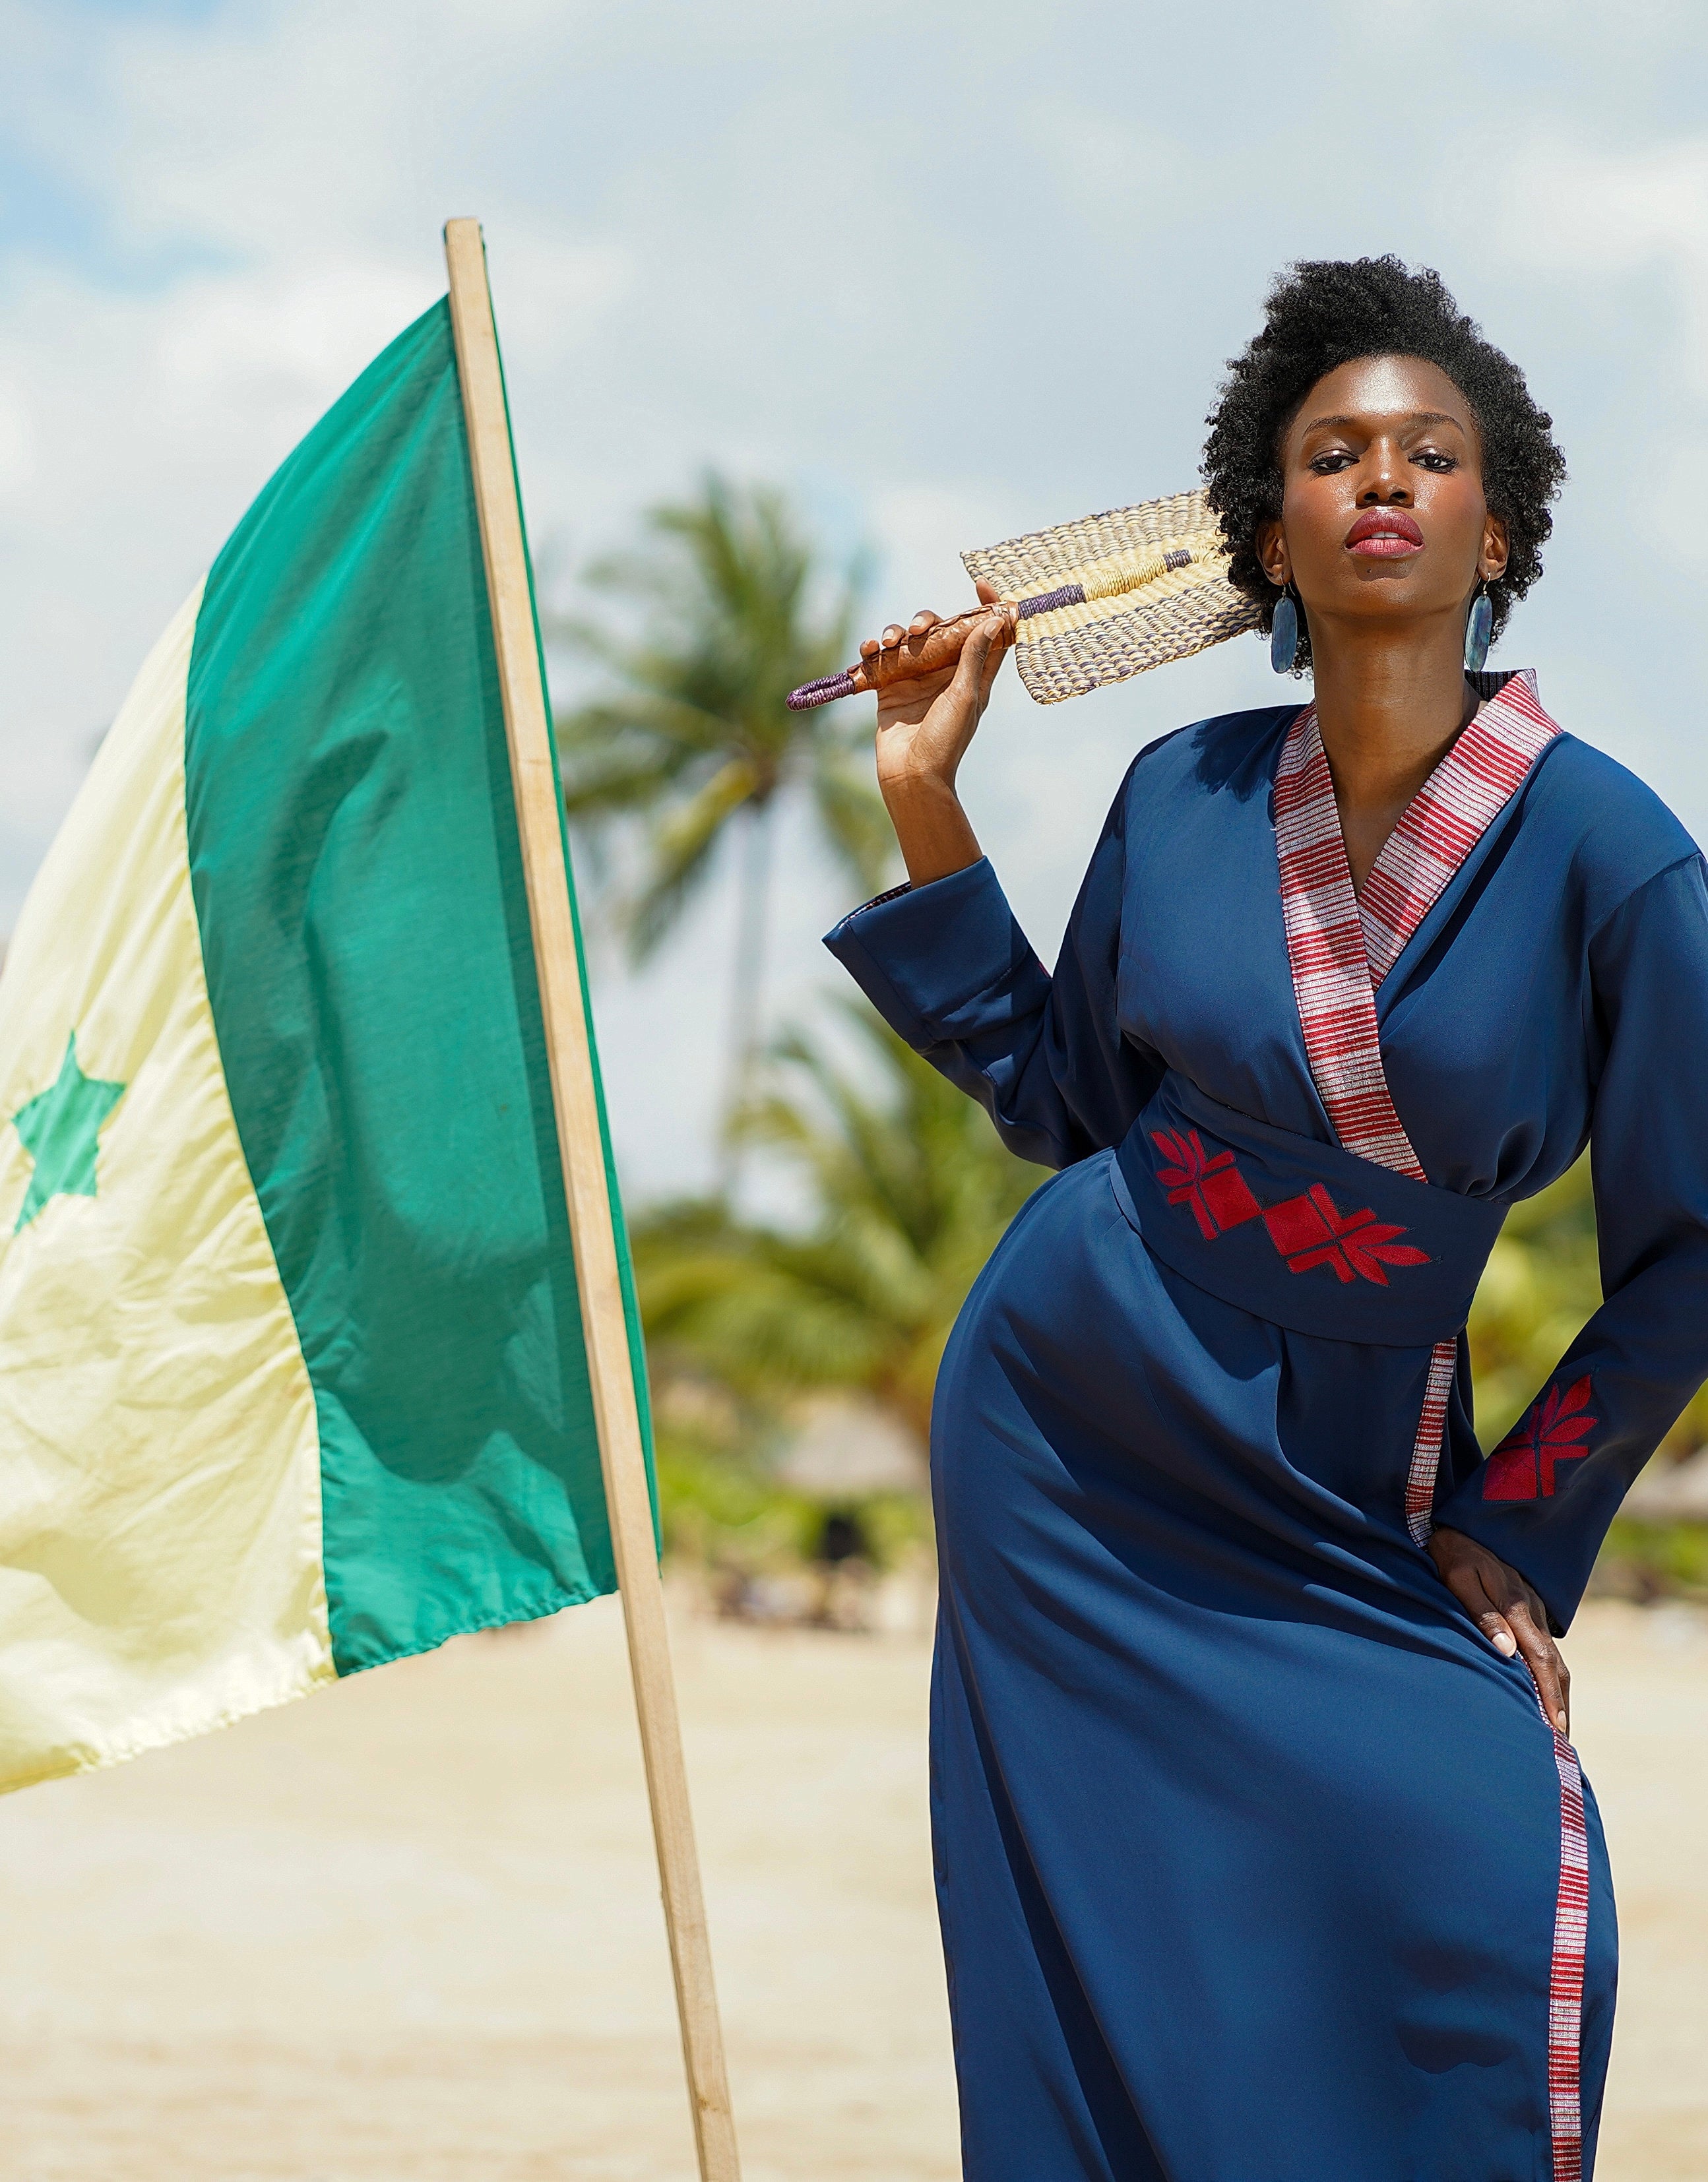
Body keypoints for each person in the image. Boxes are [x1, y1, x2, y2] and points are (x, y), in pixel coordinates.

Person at [823, 256, 1708, 2181]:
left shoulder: (1615, 851)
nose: (1382, 480)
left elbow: (1697, 1247)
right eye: (1333, 454)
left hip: (1351, 1468)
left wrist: (1518, 1523)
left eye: (1429, 452)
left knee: (1483, 1865)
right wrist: (924, 792)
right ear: (1267, 534)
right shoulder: (1184, 788)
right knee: (1120, 1950)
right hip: (1069, 1433)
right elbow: (1062, 1102)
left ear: (1503, 519)